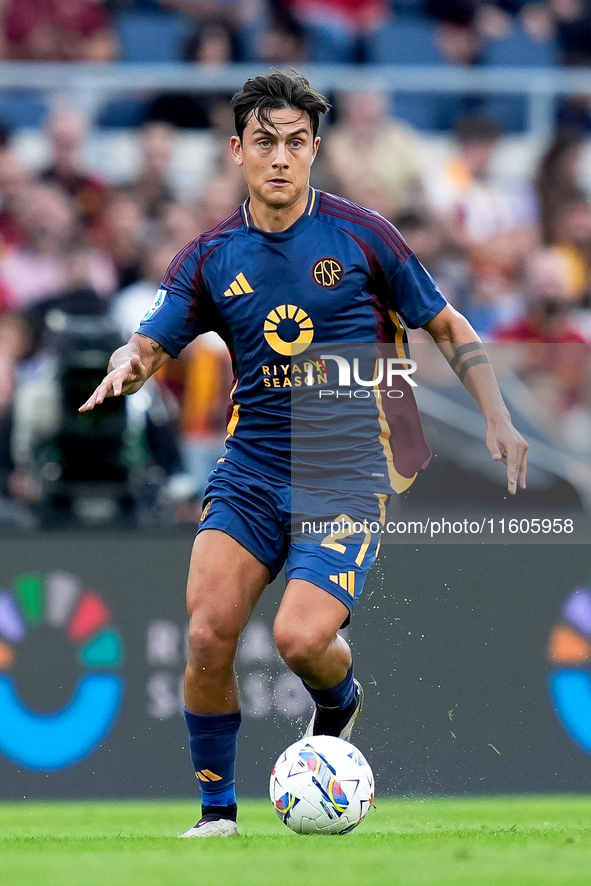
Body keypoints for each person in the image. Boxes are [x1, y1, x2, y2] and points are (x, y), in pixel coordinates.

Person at [80, 70, 528, 837]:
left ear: (315, 149)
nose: (279, 158)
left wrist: (498, 414)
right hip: (250, 469)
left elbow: (448, 325)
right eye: (264, 143)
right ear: (236, 151)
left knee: (297, 638)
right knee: (206, 635)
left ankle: (338, 701)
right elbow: (153, 338)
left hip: (344, 471)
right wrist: (130, 363)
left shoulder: (362, 235)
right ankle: (217, 815)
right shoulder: (210, 254)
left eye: (295, 143)